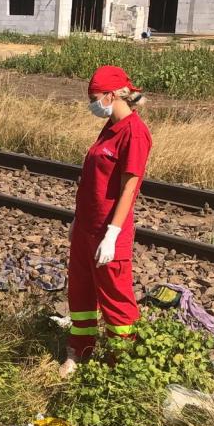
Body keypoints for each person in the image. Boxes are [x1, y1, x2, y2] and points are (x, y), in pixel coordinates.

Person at [60, 66, 152, 378]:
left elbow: (130, 186)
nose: (91, 104)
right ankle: (80, 348)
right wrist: (77, 219)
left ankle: (121, 362)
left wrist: (112, 234)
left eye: (94, 98)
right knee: (82, 291)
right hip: (88, 226)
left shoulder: (134, 133)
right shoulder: (110, 127)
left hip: (109, 230)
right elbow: (94, 180)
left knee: (116, 298)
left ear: (111, 95)